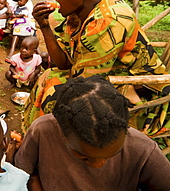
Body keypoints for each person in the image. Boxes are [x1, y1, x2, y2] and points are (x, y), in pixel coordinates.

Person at [23, 0, 170, 130]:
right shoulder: (78, 12)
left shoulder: (108, 21)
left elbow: (83, 89)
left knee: (54, 90)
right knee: (49, 76)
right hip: (102, 80)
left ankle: (48, 147)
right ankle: (30, 140)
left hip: (140, 97)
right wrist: (44, 26)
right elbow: (63, 64)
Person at [14, 75, 170, 190]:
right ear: (61, 130)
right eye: (84, 157)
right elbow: (24, 176)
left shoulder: (143, 150)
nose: (98, 165)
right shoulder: (42, 130)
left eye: (112, 154)